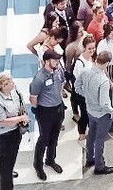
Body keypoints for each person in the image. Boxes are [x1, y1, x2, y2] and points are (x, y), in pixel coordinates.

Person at [75, 49, 113, 175]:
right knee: (100, 140)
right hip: (102, 115)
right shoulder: (103, 81)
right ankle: (99, 166)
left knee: (91, 136)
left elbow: (77, 86)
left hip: (90, 111)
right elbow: (104, 103)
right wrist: (111, 111)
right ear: (107, 63)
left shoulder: (85, 71)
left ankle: (89, 159)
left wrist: (86, 95)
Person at [29, 49, 65, 180]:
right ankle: (38, 165)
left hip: (58, 108)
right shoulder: (39, 78)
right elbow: (33, 98)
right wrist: (39, 111)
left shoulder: (57, 71)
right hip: (45, 111)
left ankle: (50, 159)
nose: (57, 62)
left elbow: (60, 85)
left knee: (54, 137)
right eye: (54, 60)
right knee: (44, 139)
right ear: (46, 61)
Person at [0, 73, 28, 190]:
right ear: (2, 86)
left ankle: (6, 170)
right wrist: (21, 118)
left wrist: (23, 116)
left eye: (11, 80)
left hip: (15, 130)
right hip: (1, 134)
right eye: (9, 82)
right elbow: (2, 121)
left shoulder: (14, 91)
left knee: (11, 157)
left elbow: (21, 103)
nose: (12, 83)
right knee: (5, 160)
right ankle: (5, 184)